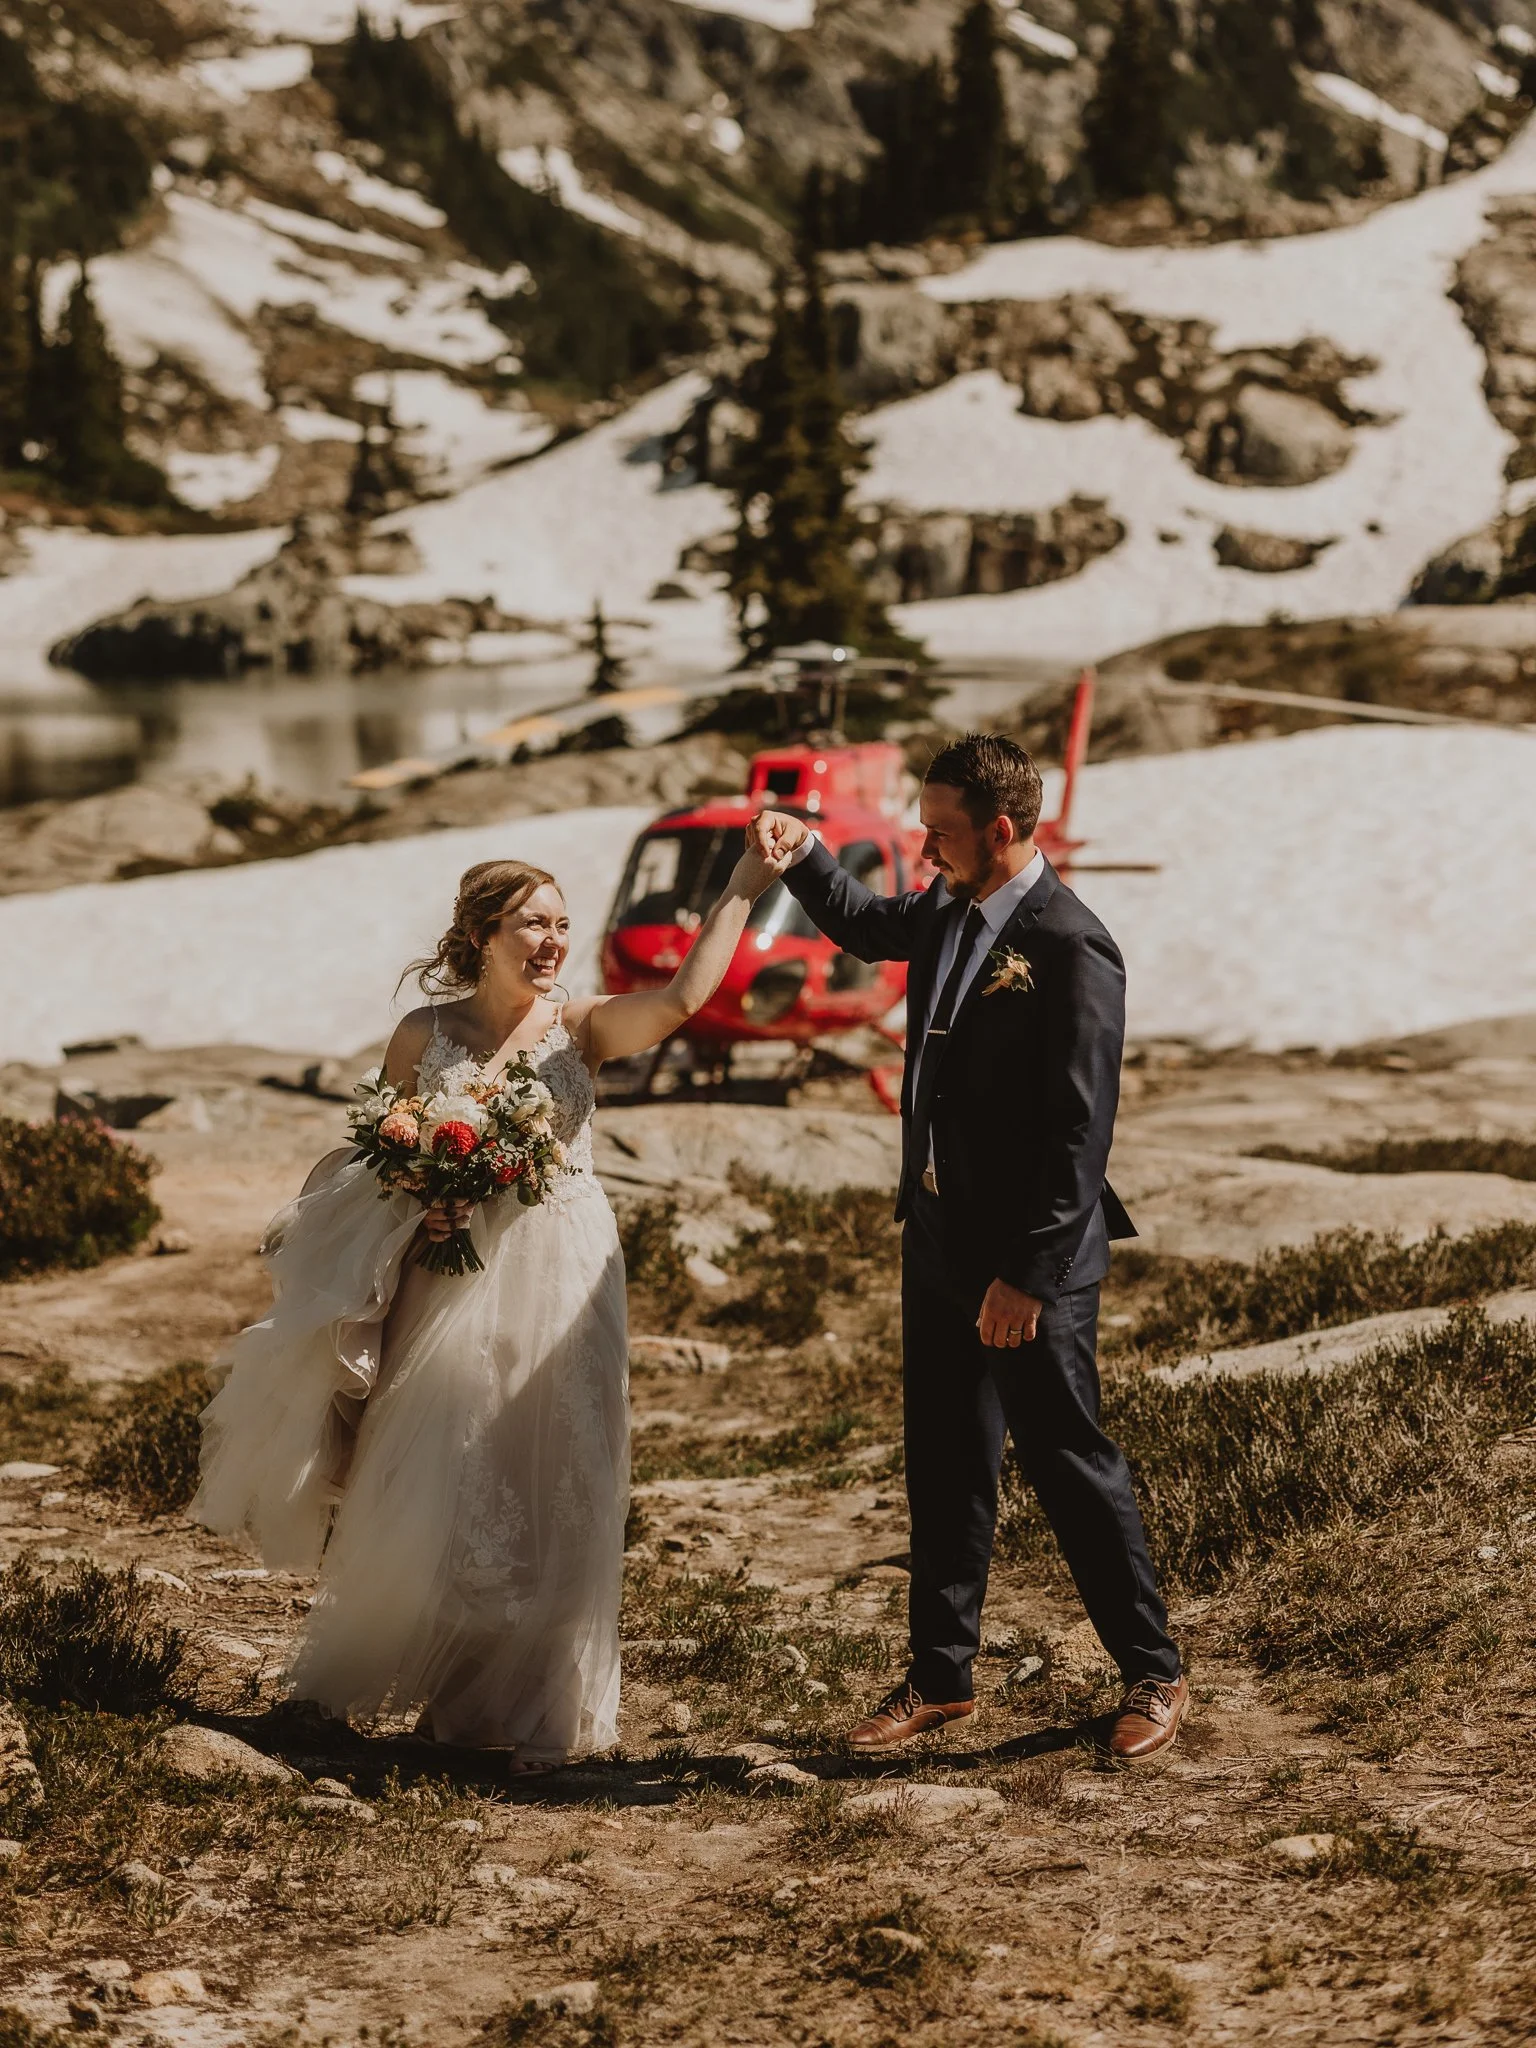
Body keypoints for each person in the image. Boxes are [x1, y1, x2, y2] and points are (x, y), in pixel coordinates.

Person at [192, 842, 786, 1768]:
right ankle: (457, 1703)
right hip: (450, 1276)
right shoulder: (421, 1036)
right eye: (532, 924)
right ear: (481, 935)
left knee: (563, 1466)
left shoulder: (582, 1028)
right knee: (448, 1468)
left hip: (566, 1263)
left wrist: (745, 884)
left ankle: (541, 1705)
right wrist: (422, 1203)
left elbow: (679, 1002)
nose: (552, 941)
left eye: (561, 924)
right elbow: (378, 1160)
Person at [753, 733, 1187, 1761]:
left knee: (1067, 1462)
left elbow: (1081, 1132)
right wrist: (803, 850)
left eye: (940, 830)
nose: (923, 845)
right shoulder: (947, 908)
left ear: (1000, 830)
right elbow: (866, 925)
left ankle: (1154, 1668)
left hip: (1030, 1267)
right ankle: (942, 1676)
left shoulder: (1071, 945)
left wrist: (1026, 1276)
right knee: (946, 1463)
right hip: (940, 1240)